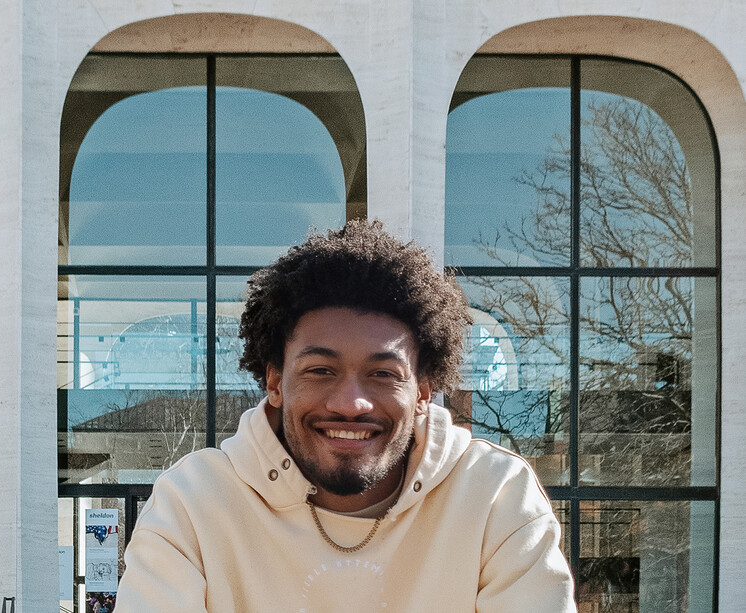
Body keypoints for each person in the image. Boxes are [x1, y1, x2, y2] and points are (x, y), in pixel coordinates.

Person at [115, 219, 576, 612]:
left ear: (423, 392)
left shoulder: (494, 496)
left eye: (382, 373)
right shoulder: (193, 504)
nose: (350, 403)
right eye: (320, 370)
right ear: (274, 382)